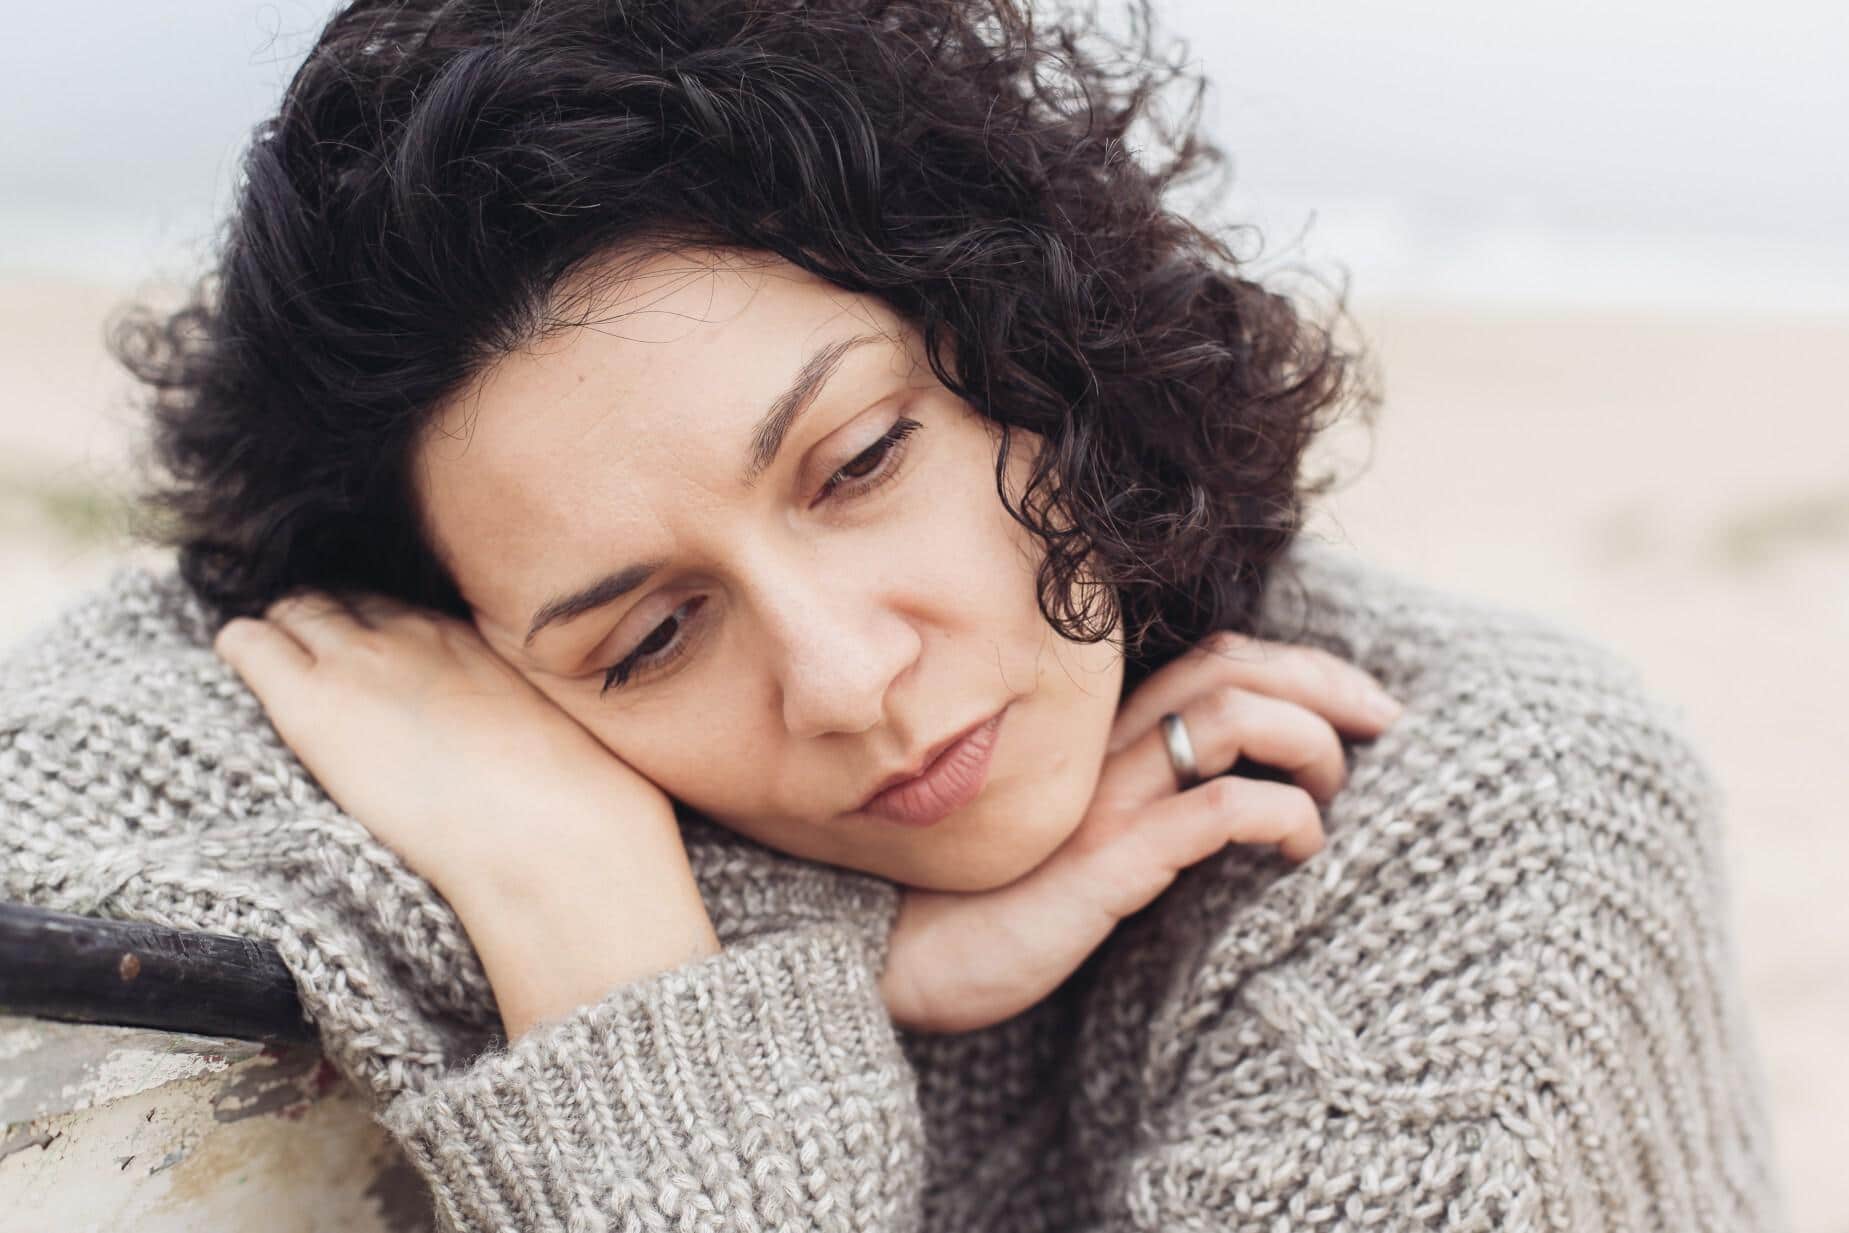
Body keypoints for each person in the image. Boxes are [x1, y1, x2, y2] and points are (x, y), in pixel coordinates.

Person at [0, 0, 1788, 1229]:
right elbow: (62, 797)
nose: (848, 678)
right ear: (477, 658)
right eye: (649, 639)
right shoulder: (510, 731)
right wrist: (841, 950)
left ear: (1026, 334)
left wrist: (611, 928)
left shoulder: (1498, 825)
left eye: (857, 462)